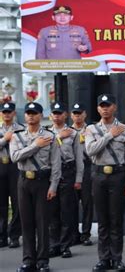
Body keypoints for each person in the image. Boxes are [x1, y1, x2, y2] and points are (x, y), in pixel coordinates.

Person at [85, 94, 125, 272]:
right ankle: (103, 259)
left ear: (114, 107)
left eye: (108, 105)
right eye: (102, 105)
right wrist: (108, 135)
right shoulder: (91, 129)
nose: (105, 108)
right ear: (98, 109)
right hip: (99, 175)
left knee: (116, 219)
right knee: (102, 220)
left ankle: (117, 259)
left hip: (118, 176)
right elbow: (90, 150)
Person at [9, 102, 61, 272]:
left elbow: (56, 163)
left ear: (41, 116)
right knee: (27, 222)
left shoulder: (50, 136)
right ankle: (28, 260)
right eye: (28, 113)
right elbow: (15, 157)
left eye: (35, 113)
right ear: (24, 116)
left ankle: (43, 261)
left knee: (42, 222)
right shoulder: (17, 136)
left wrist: (53, 186)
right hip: (24, 181)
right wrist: (35, 146)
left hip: (42, 181)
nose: (31, 116)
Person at [47, 102, 84, 259]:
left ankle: (65, 246)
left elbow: (79, 157)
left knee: (66, 211)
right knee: (52, 212)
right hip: (50, 174)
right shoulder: (46, 133)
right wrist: (57, 137)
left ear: (65, 115)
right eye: (54, 113)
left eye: (59, 112)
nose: (56, 115)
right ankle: (53, 244)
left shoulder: (73, 133)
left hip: (68, 171)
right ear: (50, 116)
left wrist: (78, 178)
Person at [0, 102, 24, 249]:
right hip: (0, 166)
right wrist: (5, 139)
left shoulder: (21, 129)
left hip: (15, 167)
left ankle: (14, 235)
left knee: (17, 203)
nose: (7, 114)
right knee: (1, 204)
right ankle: (1, 236)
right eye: (4, 112)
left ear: (14, 113)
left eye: (9, 112)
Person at [70, 103, 94, 246]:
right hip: (71, 169)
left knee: (87, 202)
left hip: (87, 166)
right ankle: (73, 234)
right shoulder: (67, 131)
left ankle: (86, 234)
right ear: (71, 115)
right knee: (71, 203)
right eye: (75, 113)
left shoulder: (91, 130)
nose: (77, 116)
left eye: (80, 113)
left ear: (85, 114)